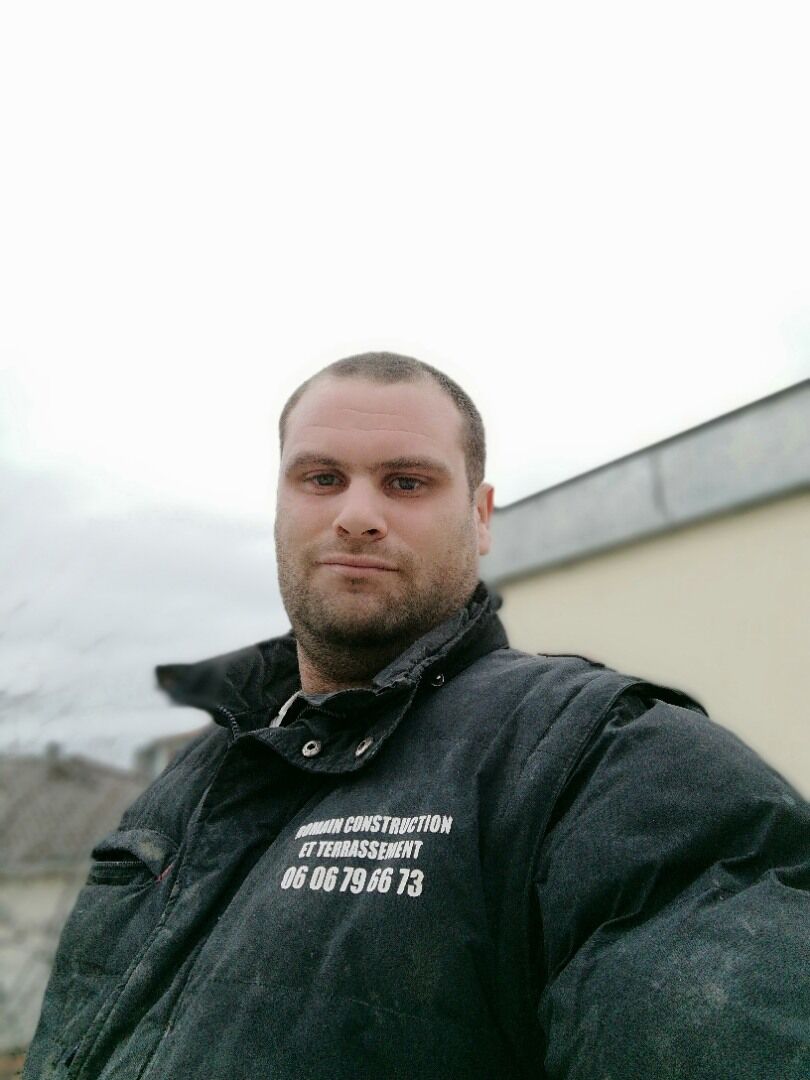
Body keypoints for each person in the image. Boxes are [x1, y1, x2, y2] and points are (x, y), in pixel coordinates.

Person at [24, 353, 810, 1079]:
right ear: (280, 504)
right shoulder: (199, 772)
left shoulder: (600, 757)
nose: (356, 515)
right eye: (321, 478)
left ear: (481, 516)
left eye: (406, 482)